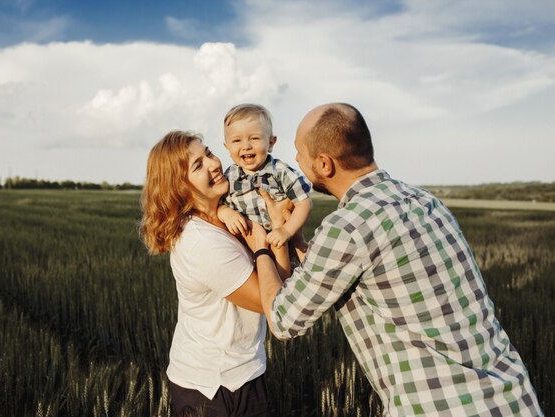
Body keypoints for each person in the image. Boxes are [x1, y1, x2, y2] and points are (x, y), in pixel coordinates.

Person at [245, 103, 544, 416]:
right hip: (513, 400)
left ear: (324, 164)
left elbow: (283, 320)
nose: (295, 161)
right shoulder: (426, 201)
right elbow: (344, 273)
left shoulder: (348, 226)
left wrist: (261, 247)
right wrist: (297, 241)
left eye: (299, 153)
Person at [139, 130, 289, 417]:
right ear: (179, 187)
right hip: (214, 387)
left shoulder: (227, 208)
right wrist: (265, 246)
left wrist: (271, 226)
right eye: (198, 166)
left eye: (207, 153)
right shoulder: (202, 243)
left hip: (241, 371)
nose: (213, 163)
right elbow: (277, 304)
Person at [218, 104, 312, 250]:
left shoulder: (280, 172)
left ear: (270, 143)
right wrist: (225, 212)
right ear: (227, 147)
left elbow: (304, 203)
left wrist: (286, 230)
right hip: (250, 250)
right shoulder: (229, 177)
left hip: (284, 246)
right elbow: (217, 204)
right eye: (237, 141)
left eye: (254, 138)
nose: (246, 146)